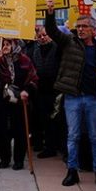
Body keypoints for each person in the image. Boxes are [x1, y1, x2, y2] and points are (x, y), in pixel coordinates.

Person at [45, 0, 96, 190]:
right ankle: (72, 171)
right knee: (73, 135)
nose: (81, 29)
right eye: (79, 26)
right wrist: (50, 12)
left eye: (85, 26)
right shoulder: (69, 42)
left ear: (93, 30)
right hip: (73, 98)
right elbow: (51, 31)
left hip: (93, 99)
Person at [0, 39, 38, 170]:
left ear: (15, 45)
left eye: (8, 44)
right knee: (3, 129)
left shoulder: (24, 60)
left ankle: (18, 160)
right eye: (4, 44)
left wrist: (26, 90)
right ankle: (5, 158)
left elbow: (32, 78)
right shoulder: (1, 60)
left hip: (19, 100)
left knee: (20, 131)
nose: (5, 47)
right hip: (3, 99)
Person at [31, 27, 60, 158]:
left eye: (45, 35)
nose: (42, 37)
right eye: (40, 35)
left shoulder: (57, 48)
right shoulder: (35, 49)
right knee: (40, 117)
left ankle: (51, 146)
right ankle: (40, 143)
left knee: (52, 119)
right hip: (39, 88)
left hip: (53, 88)